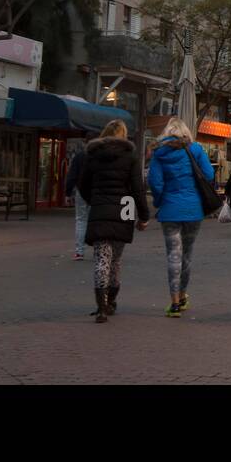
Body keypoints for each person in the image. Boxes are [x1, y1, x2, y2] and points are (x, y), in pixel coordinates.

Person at [77, 120, 149, 323]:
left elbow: (82, 185)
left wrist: (95, 200)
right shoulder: (130, 156)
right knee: (116, 259)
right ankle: (112, 301)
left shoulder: (93, 155)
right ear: (124, 135)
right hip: (124, 208)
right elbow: (137, 188)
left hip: (100, 207)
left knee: (101, 259)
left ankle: (100, 306)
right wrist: (143, 216)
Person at [148, 117, 217, 317]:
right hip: (193, 209)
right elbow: (209, 174)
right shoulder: (195, 150)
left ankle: (174, 302)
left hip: (170, 210)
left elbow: (155, 182)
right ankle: (184, 294)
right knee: (187, 255)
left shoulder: (159, 154)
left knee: (173, 255)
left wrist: (160, 202)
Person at [64, 142, 89, 260]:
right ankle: (99, 249)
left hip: (82, 191)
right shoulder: (101, 156)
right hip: (98, 192)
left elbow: (72, 175)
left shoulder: (80, 156)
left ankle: (80, 251)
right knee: (97, 220)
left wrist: (68, 193)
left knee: (81, 220)